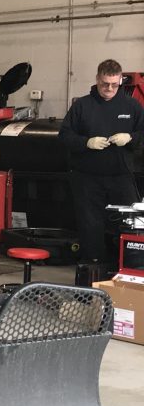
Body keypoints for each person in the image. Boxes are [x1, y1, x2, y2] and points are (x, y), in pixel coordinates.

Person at [59, 59, 144, 265]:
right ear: (97, 79)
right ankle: (93, 269)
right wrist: (86, 142)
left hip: (120, 175)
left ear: (120, 81)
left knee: (131, 222)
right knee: (91, 226)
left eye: (115, 85)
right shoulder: (82, 106)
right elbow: (64, 136)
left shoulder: (131, 106)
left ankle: (130, 268)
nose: (109, 89)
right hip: (87, 178)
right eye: (105, 83)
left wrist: (131, 138)